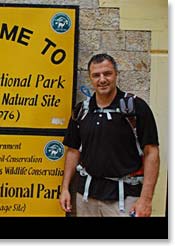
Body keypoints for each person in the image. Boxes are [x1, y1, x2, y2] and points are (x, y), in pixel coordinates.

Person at [59, 53, 160, 217]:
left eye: (107, 73)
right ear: (90, 79)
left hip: (125, 197)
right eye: (96, 75)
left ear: (116, 74)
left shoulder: (135, 108)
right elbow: (73, 151)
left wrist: (146, 199)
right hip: (86, 196)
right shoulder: (81, 111)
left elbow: (151, 152)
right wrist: (65, 189)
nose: (102, 79)